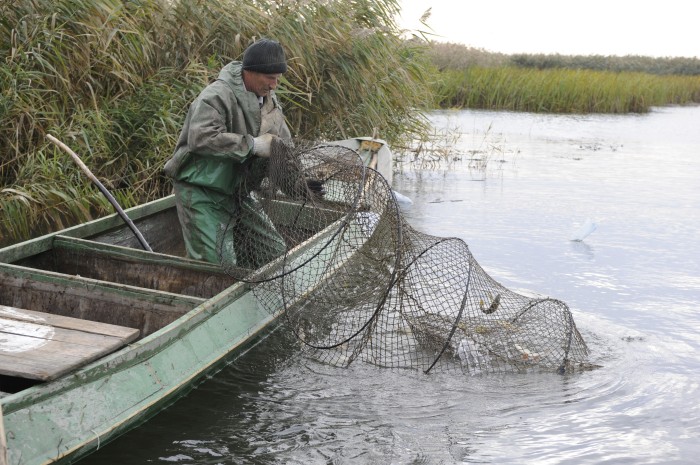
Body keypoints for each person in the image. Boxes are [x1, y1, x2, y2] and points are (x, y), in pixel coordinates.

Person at [163, 38, 292, 267]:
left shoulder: (270, 102)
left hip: (238, 192)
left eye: (277, 80)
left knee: (275, 254)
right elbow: (202, 138)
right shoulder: (216, 95)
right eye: (270, 78)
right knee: (217, 268)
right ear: (250, 72)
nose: (274, 85)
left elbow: (284, 146)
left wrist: (299, 181)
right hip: (202, 190)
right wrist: (253, 145)